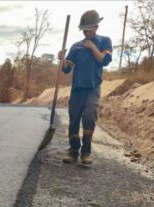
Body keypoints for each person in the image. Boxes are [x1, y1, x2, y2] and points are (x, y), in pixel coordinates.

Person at [58, 10, 113, 165]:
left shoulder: (104, 41)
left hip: (93, 88)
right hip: (77, 89)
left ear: (96, 26)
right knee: (74, 120)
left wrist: (91, 47)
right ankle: (73, 150)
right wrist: (62, 60)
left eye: (89, 29)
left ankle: (86, 152)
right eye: (84, 29)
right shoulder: (75, 47)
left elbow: (104, 61)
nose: (87, 32)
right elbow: (66, 69)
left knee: (89, 118)